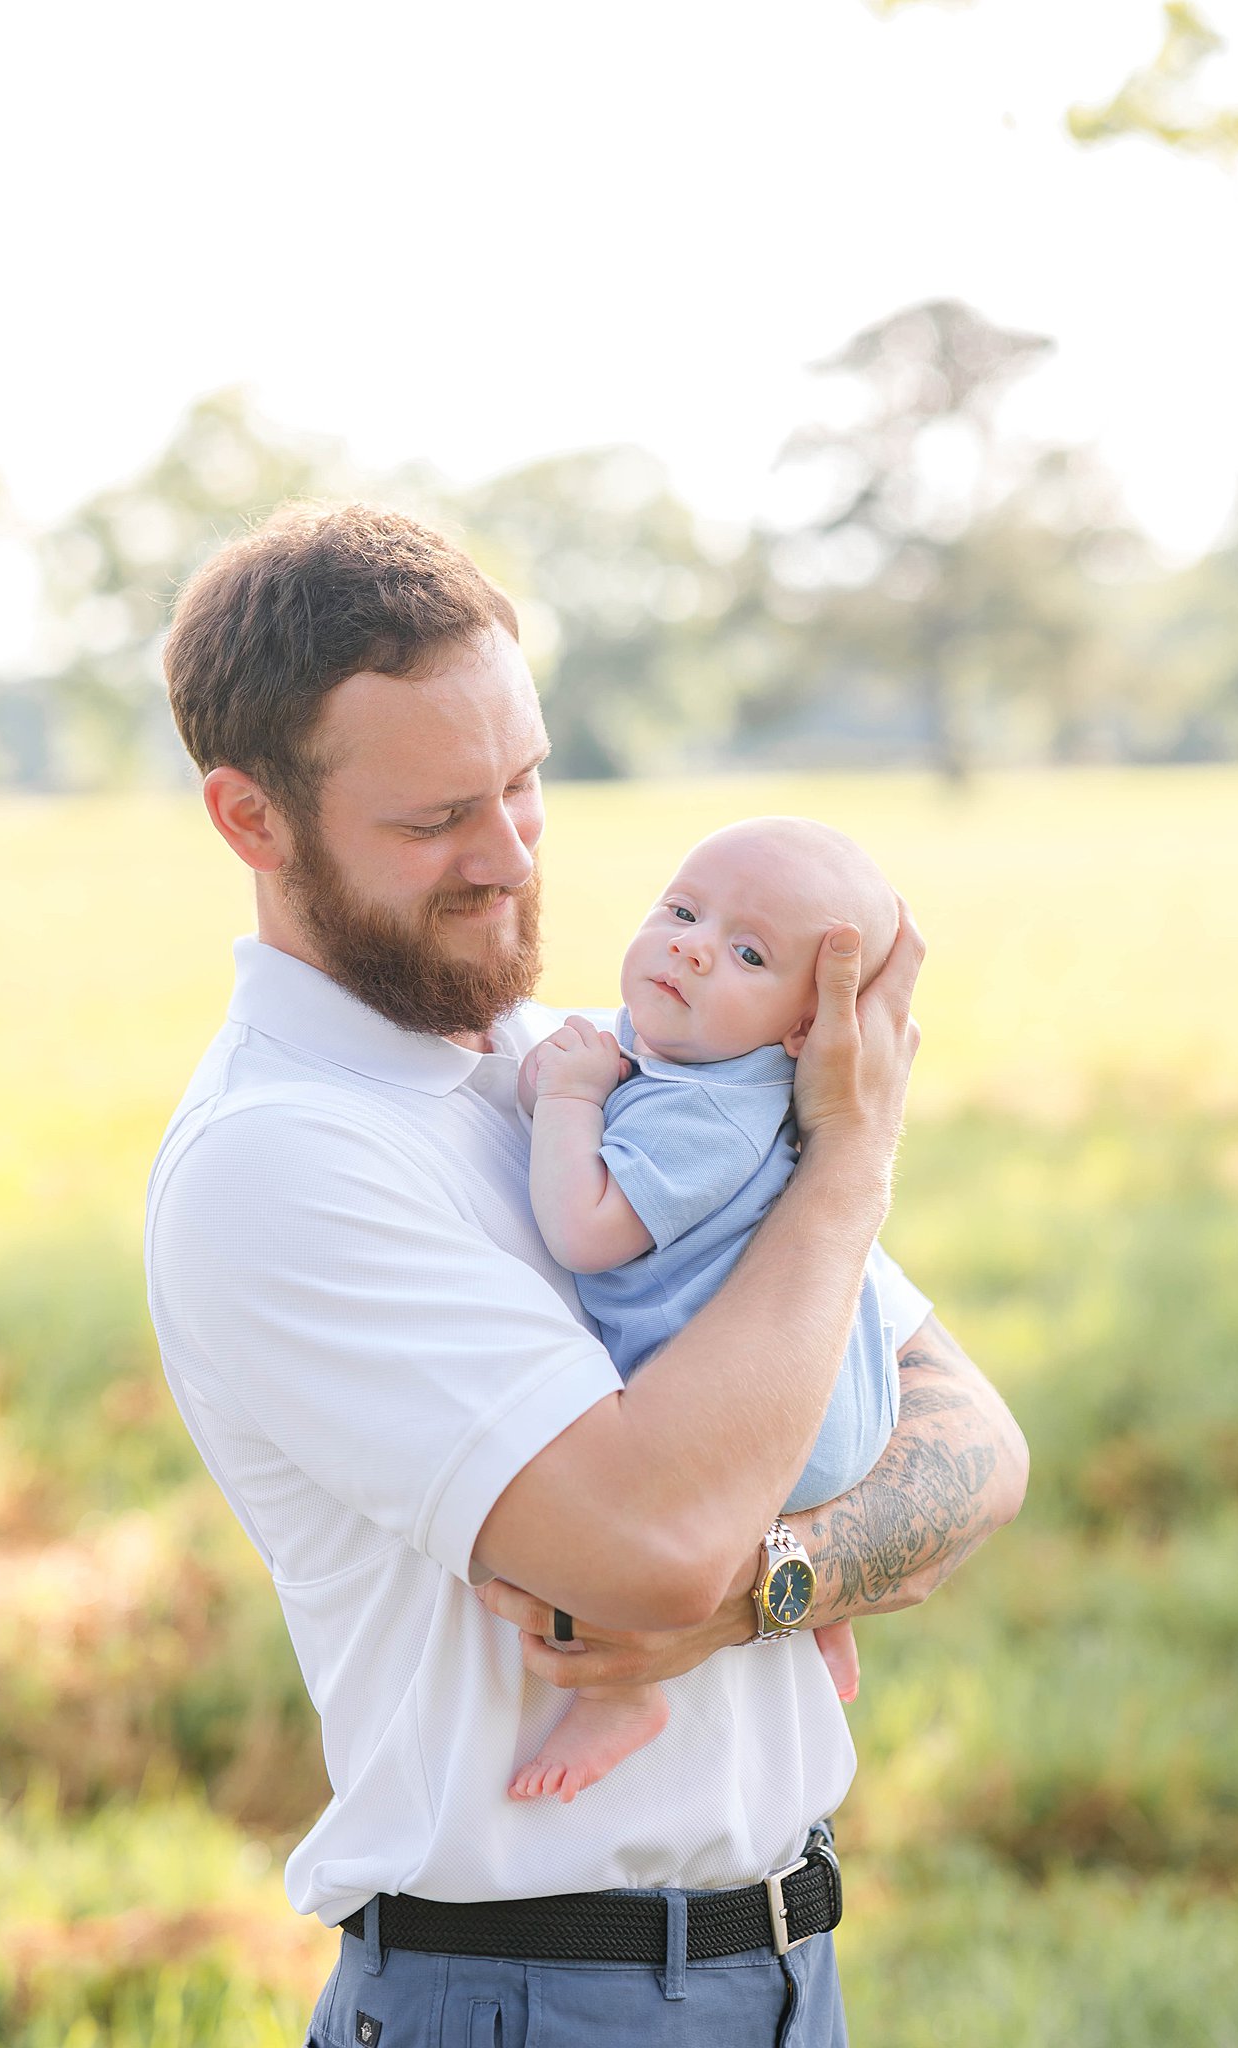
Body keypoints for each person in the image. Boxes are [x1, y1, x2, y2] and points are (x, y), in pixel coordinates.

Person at [146, 501, 1028, 2048]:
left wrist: (771, 1585)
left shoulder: (592, 1065)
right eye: (434, 822)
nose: (506, 859)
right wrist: (851, 1162)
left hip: (788, 1971)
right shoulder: (281, 1162)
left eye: (526, 784)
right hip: (531, 1997)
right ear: (250, 820)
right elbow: (646, 1550)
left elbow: (977, 1445)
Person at [509, 818, 901, 1803]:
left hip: (790, 1430)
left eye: (748, 952)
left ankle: (624, 1692)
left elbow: (584, 1228)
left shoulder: (717, 1107)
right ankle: (823, 1616)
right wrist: (567, 1075)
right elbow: (602, 1062)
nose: (692, 944)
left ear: (805, 1027)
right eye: (683, 910)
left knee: (575, 1511)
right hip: (827, 1397)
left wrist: (567, 1101)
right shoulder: (694, 1042)